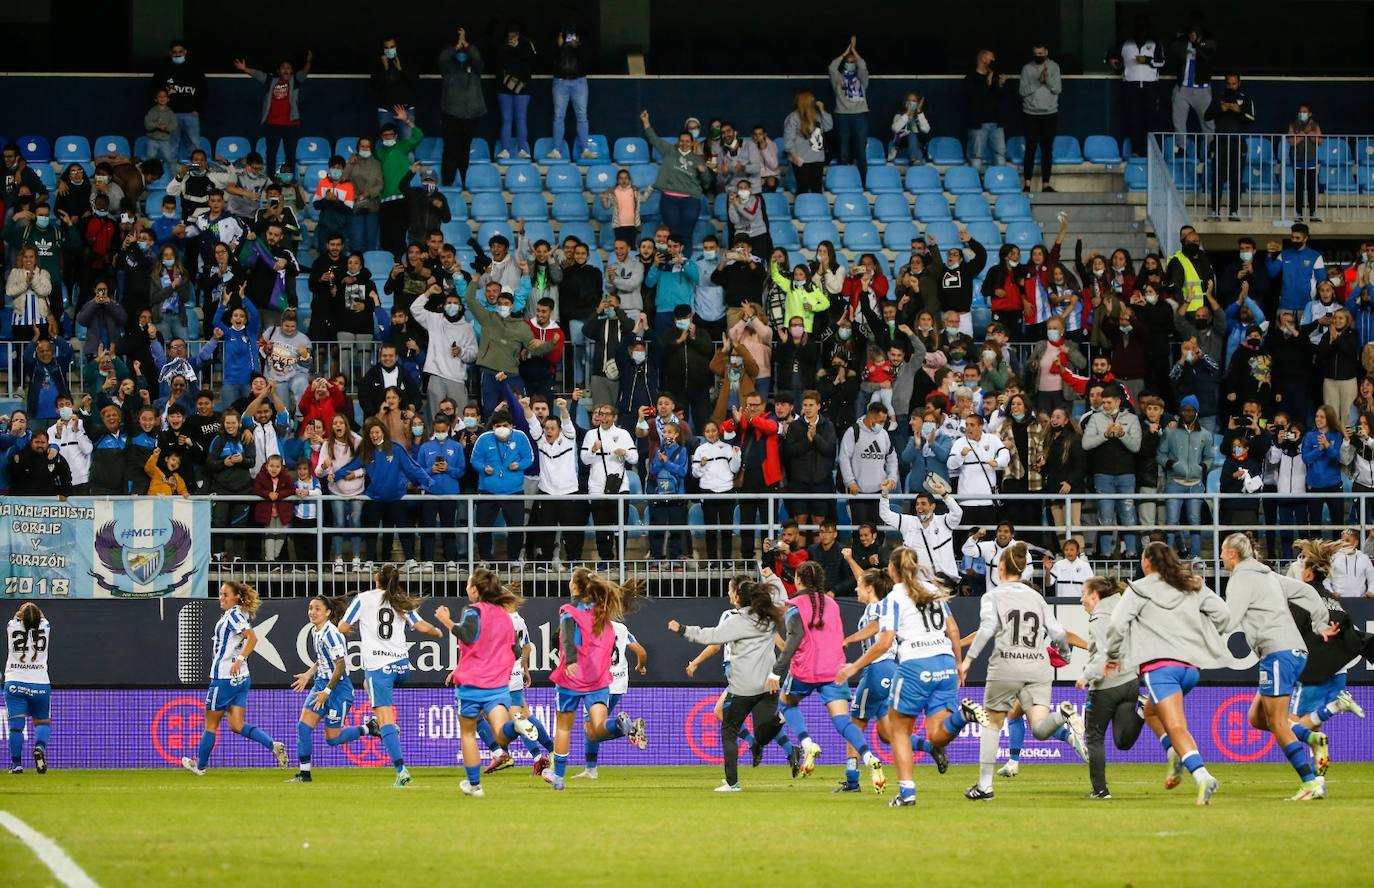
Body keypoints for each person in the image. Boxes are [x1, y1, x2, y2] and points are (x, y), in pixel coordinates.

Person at [1106, 542, 1230, 804]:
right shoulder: (1191, 584)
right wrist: (1202, 635)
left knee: (1175, 726)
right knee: (1150, 711)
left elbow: (1116, 624)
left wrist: (1113, 655)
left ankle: (1203, 776)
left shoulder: (1139, 588)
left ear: (1147, 562)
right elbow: (1223, 614)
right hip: (1191, 669)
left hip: (1161, 668)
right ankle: (1174, 753)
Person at [959, 543, 1084, 800]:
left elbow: (986, 629)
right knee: (1039, 728)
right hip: (1038, 668)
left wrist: (968, 660)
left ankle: (984, 786)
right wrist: (1067, 654)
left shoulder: (992, 596)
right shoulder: (1036, 597)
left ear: (1000, 568)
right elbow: (1059, 633)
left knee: (992, 723)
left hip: (1006, 664)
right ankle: (1061, 715)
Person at [1220, 533, 1335, 800]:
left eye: (1224, 552)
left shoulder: (1240, 579)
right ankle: (1310, 737)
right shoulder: (1268, 575)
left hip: (1277, 652)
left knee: (1277, 722)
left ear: (1233, 554)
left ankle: (1310, 783)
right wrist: (1319, 625)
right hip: (1291, 652)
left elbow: (1230, 619)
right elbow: (1306, 591)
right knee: (1257, 718)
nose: (1222, 556)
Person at [755, 561, 885, 790]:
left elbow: (794, 638)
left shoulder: (794, 605)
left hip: (805, 668)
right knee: (843, 721)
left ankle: (807, 744)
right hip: (834, 669)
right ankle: (868, 758)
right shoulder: (833, 604)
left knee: (786, 704)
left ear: (798, 580)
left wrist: (777, 671)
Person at [670, 579, 787, 792]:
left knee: (729, 730)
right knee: (762, 734)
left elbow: (711, 636)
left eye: (732, 592)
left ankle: (732, 783)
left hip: (743, 688)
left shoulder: (737, 621)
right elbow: (782, 602)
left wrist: (682, 629)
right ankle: (779, 719)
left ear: (739, 598)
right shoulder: (769, 618)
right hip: (768, 685)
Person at [432, 570, 540, 797]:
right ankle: (518, 725)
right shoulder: (505, 616)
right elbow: (516, 650)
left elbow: (467, 635)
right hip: (497, 686)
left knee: (468, 734)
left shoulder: (472, 611)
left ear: (474, 590)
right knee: (501, 733)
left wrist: (445, 620)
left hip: (471, 684)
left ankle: (474, 785)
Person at [338, 565, 443, 786]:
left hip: (379, 667)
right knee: (369, 686)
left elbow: (342, 626)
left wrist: (354, 628)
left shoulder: (364, 598)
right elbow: (422, 626)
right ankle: (388, 729)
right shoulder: (400, 600)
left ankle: (400, 769)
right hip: (402, 666)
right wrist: (437, 631)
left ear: (376, 578)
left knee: (384, 718)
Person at [543, 568, 645, 790]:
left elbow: (567, 637)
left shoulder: (569, 611)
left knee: (563, 727)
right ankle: (621, 726)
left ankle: (558, 777)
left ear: (575, 587)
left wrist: (570, 660)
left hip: (572, 678)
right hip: (598, 679)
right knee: (597, 728)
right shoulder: (603, 611)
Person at [181, 582, 288, 775]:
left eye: (225, 595)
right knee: (236, 725)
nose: (221, 598)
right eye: (220, 594)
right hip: (241, 678)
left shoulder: (234, 616)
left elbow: (252, 638)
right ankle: (272, 744)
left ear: (237, 597)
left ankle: (200, 766)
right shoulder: (240, 613)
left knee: (211, 725)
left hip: (224, 677)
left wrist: (239, 658)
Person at [285, 596, 379, 782]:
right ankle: (305, 774)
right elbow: (322, 659)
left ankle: (370, 727)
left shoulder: (331, 633)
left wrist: (327, 692)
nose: (312, 612)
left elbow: (340, 665)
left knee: (333, 739)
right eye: (310, 608)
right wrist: (308, 674)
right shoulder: (316, 631)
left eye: (317, 609)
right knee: (303, 727)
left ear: (327, 612)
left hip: (338, 690)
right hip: (321, 685)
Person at [1073, 576, 1146, 799]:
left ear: (1095, 595)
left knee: (1094, 737)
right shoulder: (1124, 610)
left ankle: (1100, 790)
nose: (1081, 599)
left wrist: (1086, 676)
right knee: (1122, 741)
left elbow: (1104, 654)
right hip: (1130, 681)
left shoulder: (1100, 619)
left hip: (1107, 685)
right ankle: (1142, 711)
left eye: (1084, 594)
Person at [330, 417, 432, 570]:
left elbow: (412, 467)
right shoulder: (367, 452)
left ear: (383, 432)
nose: (374, 435)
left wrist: (428, 481)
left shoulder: (396, 448)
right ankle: (370, 561)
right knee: (371, 529)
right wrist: (335, 476)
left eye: (376, 432)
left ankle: (410, 560)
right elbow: (352, 466)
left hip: (396, 497)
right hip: (375, 497)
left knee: (404, 529)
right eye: (371, 433)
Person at [574, 619, 649, 779]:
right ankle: (591, 770)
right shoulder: (621, 628)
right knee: (594, 730)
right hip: (618, 684)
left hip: (598, 685)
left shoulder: (589, 627)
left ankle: (625, 726)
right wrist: (640, 666)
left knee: (591, 729)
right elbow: (641, 652)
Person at [470, 409, 533, 566]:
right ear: (492, 427)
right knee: (483, 527)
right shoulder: (484, 438)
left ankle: (513, 559)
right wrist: (483, 468)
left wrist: (519, 465)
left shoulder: (520, 437)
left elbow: (529, 457)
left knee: (516, 528)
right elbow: (474, 460)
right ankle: (485, 559)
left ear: (511, 426)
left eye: (505, 425)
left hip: (514, 492)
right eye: (498, 425)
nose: (501, 428)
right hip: (487, 491)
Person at [233, 52, 312, 175]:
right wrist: (244, 69)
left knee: (290, 154)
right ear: (279, 71)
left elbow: (304, 73)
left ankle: (288, 179)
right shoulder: (272, 81)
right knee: (271, 154)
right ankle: (270, 178)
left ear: (291, 71)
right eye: (283, 68)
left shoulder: (295, 81)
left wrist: (308, 62)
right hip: (273, 124)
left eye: (288, 68)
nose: (286, 70)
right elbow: (259, 75)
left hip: (291, 124)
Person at [639, 111, 710, 244]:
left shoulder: (698, 159)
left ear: (692, 142)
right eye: (682, 141)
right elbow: (654, 139)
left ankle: (685, 263)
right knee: (672, 235)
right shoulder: (669, 150)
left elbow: (706, 183)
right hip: (669, 199)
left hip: (691, 200)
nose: (684, 143)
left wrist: (703, 172)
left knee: (687, 235)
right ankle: (673, 262)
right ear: (678, 142)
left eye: (687, 141)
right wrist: (646, 122)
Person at [878, 484, 963, 584]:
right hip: (917, 582)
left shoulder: (943, 521)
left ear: (932, 506)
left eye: (923, 503)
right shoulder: (908, 522)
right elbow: (885, 515)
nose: (919, 507)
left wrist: (944, 495)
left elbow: (958, 513)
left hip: (942, 581)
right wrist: (884, 494)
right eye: (917, 504)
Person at [5, 603, 52, 774]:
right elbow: (39, 617)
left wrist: (24, 610)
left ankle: (17, 765)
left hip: (15, 683)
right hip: (39, 683)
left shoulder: (12, 626)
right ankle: (39, 748)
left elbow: (19, 617)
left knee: (16, 727)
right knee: (42, 721)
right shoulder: (45, 627)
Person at [437, 27, 485, 188]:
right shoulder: (448, 67)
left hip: (471, 115)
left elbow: (477, 58)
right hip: (451, 114)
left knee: (465, 149)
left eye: (464, 49)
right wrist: (457, 46)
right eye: (460, 49)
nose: (462, 52)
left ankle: (464, 180)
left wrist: (467, 44)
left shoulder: (476, 67)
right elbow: (443, 58)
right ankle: (448, 182)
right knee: (450, 148)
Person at [1205, 73, 1255, 221]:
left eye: (1234, 84)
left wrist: (1239, 111)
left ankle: (1233, 212)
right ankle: (1215, 212)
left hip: (1238, 144)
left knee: (1236, 178)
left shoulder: (1246, 99)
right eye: (1228, 84)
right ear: (1225, 83)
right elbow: (1207, 116)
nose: (1231, 86)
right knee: (1218, 178)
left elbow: (1252, 118)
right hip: (1220, 143)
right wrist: (1222, 109)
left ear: (1239, 83)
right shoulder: (1218, 98)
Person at [150, 39, 206, 162]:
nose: (177, 54)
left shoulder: (195, 70)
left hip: (191, 114)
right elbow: (153, 90)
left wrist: (198, 109)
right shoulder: (163, 70)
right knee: (171, 148)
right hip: (170, 115)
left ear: (185, 52)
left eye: (180, 51)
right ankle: (172, 178)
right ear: (170, 53)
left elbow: (204, 91)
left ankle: (194, 175)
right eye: (174, 52)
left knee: (194, 147)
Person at [1019, 43, 1062, 193]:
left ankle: (1046, 184)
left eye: (1041, 53)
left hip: (1050, 114)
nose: (1039, 56)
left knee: (1047, 150)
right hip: (1030, 114)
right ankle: (1027, 184)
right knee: (1030, 149)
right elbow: (1022, 92)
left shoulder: (1054, 67)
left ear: (1046, 52)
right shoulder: (1027, 68)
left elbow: (1057, 88)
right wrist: (1038, 82)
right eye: (1036, 53)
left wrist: (1047, 80)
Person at [828, 36, 870, 179]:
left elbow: (863, 66)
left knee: (860, 151)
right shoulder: (838, 79)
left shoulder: (861, 79)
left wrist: (854, 50)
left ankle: (864, 182)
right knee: (843, 150)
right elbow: (832, 67)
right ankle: (843, 181)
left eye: (853, 62)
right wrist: (845, 54)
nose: (850, 64)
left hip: (860, 115)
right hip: (842, 115)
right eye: (848, 62)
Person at [494, 24, 537, 160]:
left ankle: (522, 149)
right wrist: (508, 48)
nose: (513, 36)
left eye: (516, 34)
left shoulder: (526, 44)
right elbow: (497, 62)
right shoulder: (501, 45)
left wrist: (518, 47)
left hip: (523, 88)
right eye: (511, 33)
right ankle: (505, 149)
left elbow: (532, 62)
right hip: (503, 88)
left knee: (521, 118)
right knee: (506, 119)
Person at [549, 26, 593, 160]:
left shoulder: (583, 37)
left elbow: (589, 59)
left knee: (582, 115)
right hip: (560, 81)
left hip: (579, 81)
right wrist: (559, 46)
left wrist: (578, 47)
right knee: (558, 116)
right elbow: (548, 58)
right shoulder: (556, 35)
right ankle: (556, 150)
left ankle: (585, 149)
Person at [783, 91, 833, 195]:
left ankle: (818, 210)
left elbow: (829, 126)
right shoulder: (793, 117)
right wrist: (794, 155)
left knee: (817, 188)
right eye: (812, 100)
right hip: (801, 159)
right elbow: (788, 138)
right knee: (803, 189)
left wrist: (822, 110)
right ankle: (803, 210)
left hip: (817, 158)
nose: (814, 102)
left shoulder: (817, 115)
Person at [372, 36, 418, 140]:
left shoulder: (407, 61)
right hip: (386, 111)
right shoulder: (378, 64)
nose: (389, 50)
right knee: (387, 145)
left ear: (396, 47)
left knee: (407, 144)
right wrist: (385, 69)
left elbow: (414, 81)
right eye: (387, 48)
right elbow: (375, 86)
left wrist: (401, 69)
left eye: (392, 47)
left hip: (406, 111)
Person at [1287, 103, 1324, 222]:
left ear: (1310, 114)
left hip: (1311, 160)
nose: (1302, 114)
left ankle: (1313, 213)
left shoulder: (1315, 125)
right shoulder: (1293, 125)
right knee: (1299, 187)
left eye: (1304, 112)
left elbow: (1320, 141)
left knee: (1311, 187)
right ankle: (1298, 214)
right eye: (1300, 111)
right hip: (1297, 159)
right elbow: (1292, 142)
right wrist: (1303, 133)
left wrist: (1310, 133)